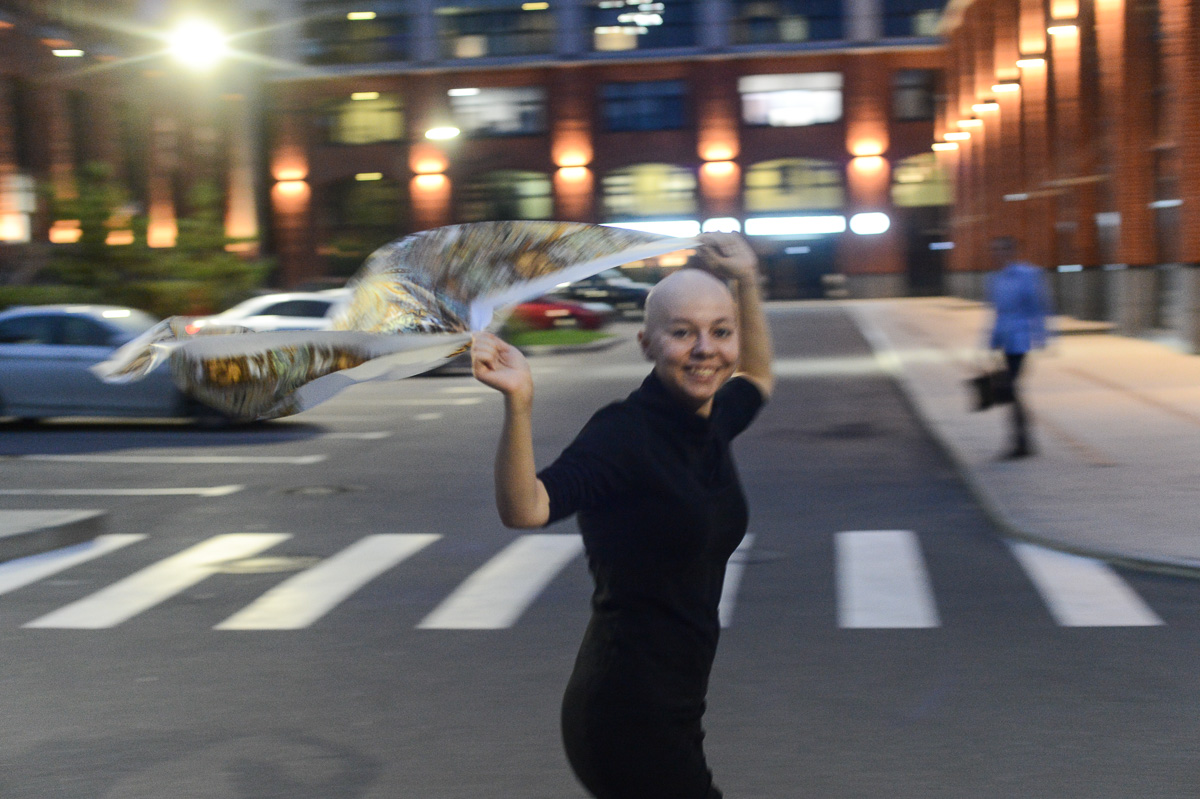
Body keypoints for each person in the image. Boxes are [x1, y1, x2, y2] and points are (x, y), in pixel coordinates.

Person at [472, 232, 773, 799]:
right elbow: (526, 508)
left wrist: (746, 281)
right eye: (682, 333)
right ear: (646, 343)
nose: (705, 349)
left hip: (677, 707)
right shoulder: (623, 434)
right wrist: (519, 402)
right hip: (626, 715)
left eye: (720, 331)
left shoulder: (712, 419)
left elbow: (757, 378)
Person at [986, 235, 1052, 459]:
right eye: (994, 250)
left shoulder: (1027, 274)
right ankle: (1023, 441)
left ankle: (1021, 443)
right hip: (1005, 339)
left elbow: (1038, 306)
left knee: (1011, 389)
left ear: (1011, 251)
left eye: (1001, 250)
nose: (997, 255)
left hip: (1021, 339)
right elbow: (996, 313)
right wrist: (992, 342)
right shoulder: (995, 278)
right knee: (1011, 390)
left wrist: (1041, 337)